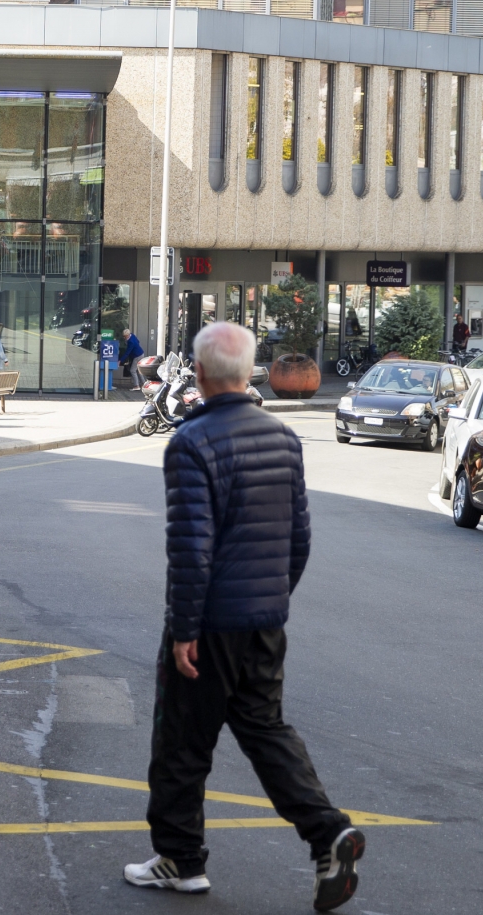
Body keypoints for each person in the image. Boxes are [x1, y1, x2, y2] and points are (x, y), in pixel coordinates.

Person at [124, 321, 364, 910]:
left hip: (208, 626)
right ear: (250, 372)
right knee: (265, 731)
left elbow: (190, 547)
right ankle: (327, 831)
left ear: (200, 375)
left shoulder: (190, 443)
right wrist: (272, 600)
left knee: (181, 742)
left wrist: (184, 631)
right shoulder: (283, 437)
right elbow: (299, 539)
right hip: (264, 621)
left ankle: (181, 858)